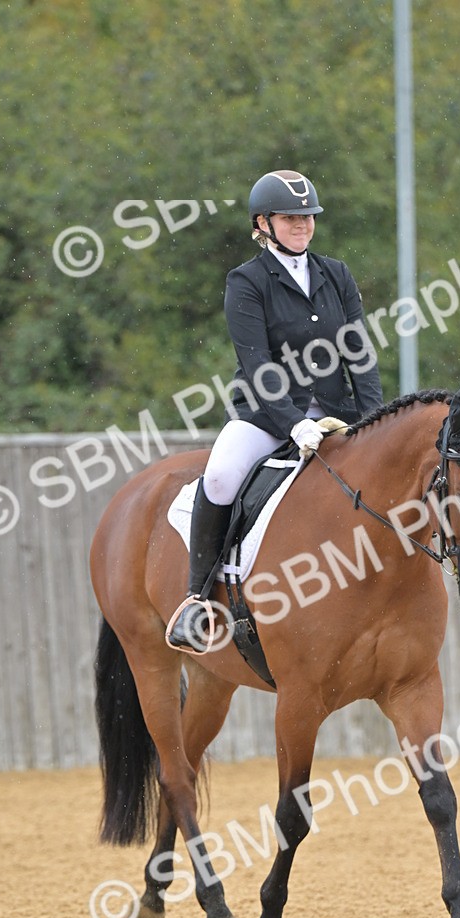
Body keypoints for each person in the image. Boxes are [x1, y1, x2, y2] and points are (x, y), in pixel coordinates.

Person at [167, 169, 383, 652]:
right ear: (263, 223)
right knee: (220, 477)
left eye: (307, 217)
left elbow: (360, 353)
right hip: (265, 417)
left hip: (336, 412)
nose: (302, 225)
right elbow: (258, 364)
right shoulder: (245, 282)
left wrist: (374, 421)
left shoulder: (337, 275)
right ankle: (196, 600)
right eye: (291, 218)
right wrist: (293, 423)